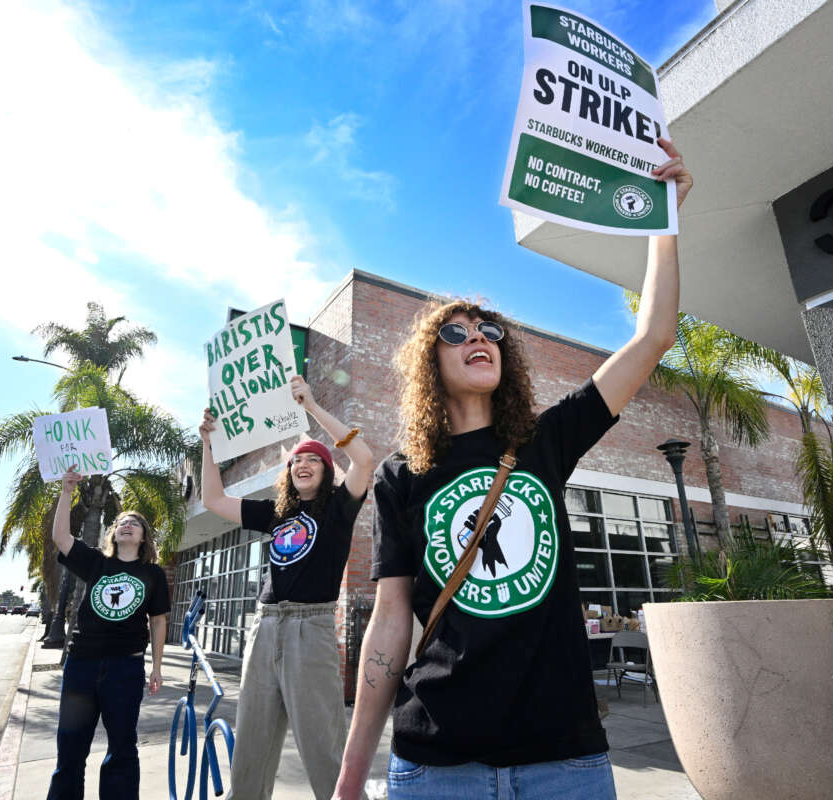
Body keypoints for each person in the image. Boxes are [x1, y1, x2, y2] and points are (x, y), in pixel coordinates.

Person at [332, 139, 692, 800]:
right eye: (456, 332)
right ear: (427, 365)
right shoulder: (400, 476)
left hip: (565, 760)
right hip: (436, 763)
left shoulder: (547, 442)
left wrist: (662, 222)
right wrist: (352, 775)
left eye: (489, 330)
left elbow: (653, 337)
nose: (477, 338)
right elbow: (390, 623)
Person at [198, 374, 375, 800]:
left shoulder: (337, 508)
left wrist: (311, 407)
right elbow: (213, 500)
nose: (303, 464)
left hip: (309, 629)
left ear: (326, 469)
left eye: (312, 459)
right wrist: (208, 444)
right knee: (252, 748)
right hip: (265, 628)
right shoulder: (276, 514)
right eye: (296, 460)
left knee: (323, 748)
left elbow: (365, 459)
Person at [47, 469, 170, 800]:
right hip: (81, 666)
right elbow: (61, 537)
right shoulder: (96, 563)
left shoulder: (152, 573)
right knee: (70, 749)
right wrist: (67, 490)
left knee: (122, 750)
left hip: (125, 668)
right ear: (113, 534)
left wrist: (156, 667)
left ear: (143, 537)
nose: (126, 525)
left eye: (134, 523)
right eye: (120, 523)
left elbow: (158, 621)